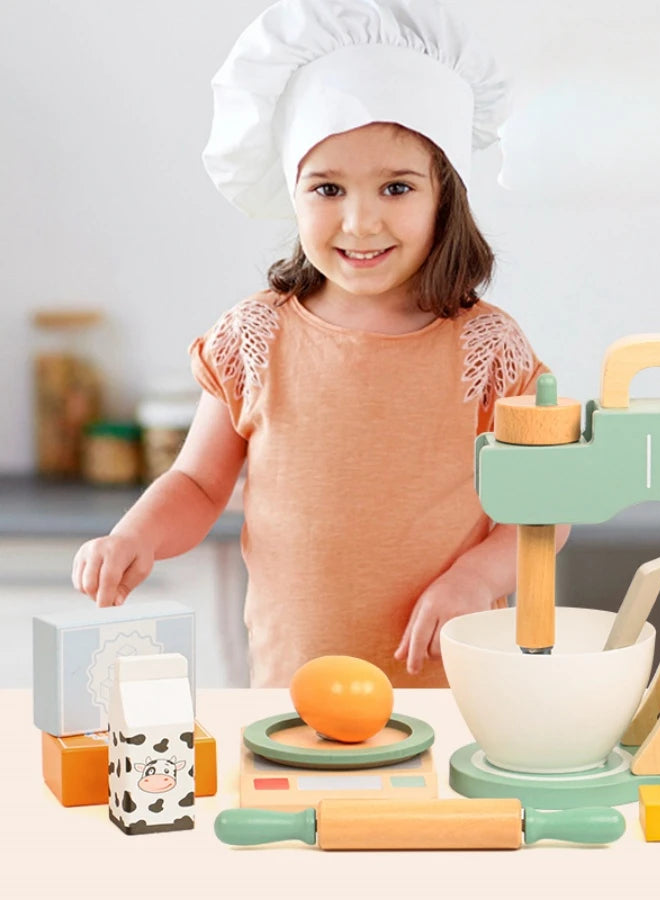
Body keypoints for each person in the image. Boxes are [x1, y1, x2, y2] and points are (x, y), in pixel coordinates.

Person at [71, 0, 567, 688]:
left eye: (396, 187)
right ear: (293, 193)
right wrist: (136, 536)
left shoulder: (490, 349)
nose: (361, 222)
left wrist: (476, 579)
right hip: (292, 698)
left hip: (454, 696)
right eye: (328, 187)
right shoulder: (255, 339)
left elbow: (549, 504)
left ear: (444, 196)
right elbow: (196, 482)